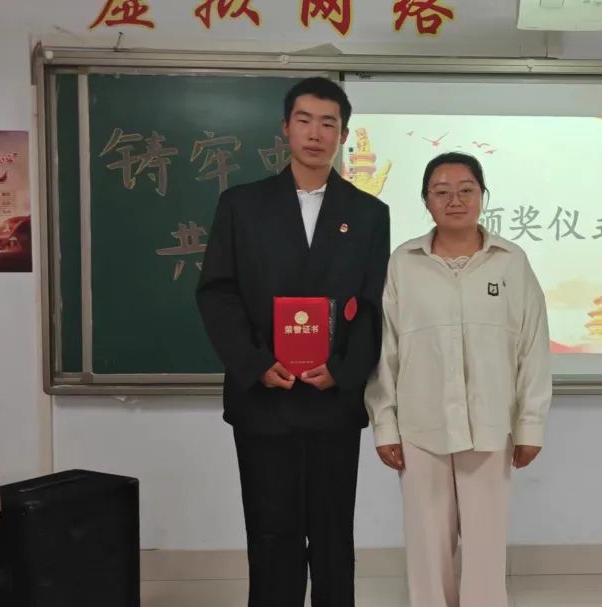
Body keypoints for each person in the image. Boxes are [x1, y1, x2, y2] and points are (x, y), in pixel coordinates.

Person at [196, 77, 390, 607]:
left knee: (333, 537)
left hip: (333, 400)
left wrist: (345, 370)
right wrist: (255, 362)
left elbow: (374, 305)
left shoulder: (369, 213)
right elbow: (218, 293)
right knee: (270, 534)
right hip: (264, 398)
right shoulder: (242, 205)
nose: (315, 133)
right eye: (304, 120)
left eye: (329, 123)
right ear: (285, 128)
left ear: (343, 135)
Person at [364, 152, 552, 607]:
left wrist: (530, 426)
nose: (455, 200)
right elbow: (385, 350)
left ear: (482, 196)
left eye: (466, 190)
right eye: (442, 192)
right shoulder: (404, 263)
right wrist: (385, 425)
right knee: (427, 547)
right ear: (425, 200)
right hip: (420, 428)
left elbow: (532, 348)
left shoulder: (511, 262)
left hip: (490, 426)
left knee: (486, 547)